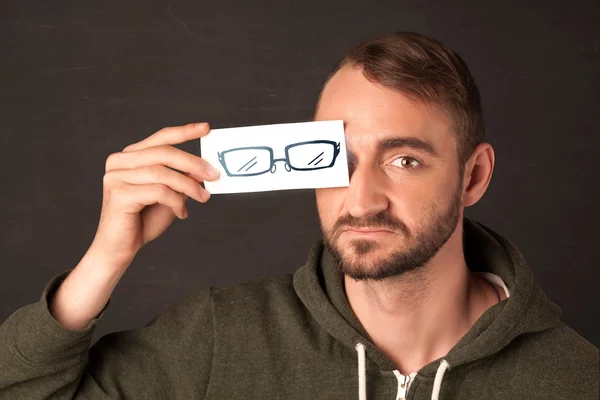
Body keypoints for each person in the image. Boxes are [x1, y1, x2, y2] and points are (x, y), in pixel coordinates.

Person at [0, 31, 597, 400]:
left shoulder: (575, 378)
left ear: (473, 176)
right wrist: (107, 257)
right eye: (332, 158)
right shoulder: (218, 339)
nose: (361, 199)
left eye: (405, 160)